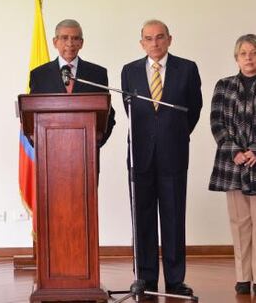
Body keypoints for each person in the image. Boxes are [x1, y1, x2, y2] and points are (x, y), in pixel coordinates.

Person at [120, 19, 202, 296]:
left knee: (173, 216)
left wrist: (173, 134)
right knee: (141, 218)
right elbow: (131, 112)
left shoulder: (187, 69)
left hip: (174, 154)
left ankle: (176, 280)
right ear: (141, 42)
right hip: (140, 155)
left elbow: (193, 109)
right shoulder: (129, 71)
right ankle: (145, 278)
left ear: (169, 39)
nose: (154, 43)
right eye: (148, 38)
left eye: (159, 37)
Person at [209, 34, 256, 295]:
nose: (249, 57)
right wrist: (234, 150)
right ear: (236, 58)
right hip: (234, 163)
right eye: (244, 53)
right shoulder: (224, 85)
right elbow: (216, 122)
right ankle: (242, 277)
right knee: (239, 223)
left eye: (253, 52)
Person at [30, 18, 115, 152]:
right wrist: (37, 141)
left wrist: (97, 140)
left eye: (75, 38)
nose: (70, 43)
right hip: (49, 151)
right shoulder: (40, 75)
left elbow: (108, 113)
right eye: (64, 38)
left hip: (86, 151)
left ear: (81, 43)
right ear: (55, 42)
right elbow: (31, 113)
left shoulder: (97, 73)